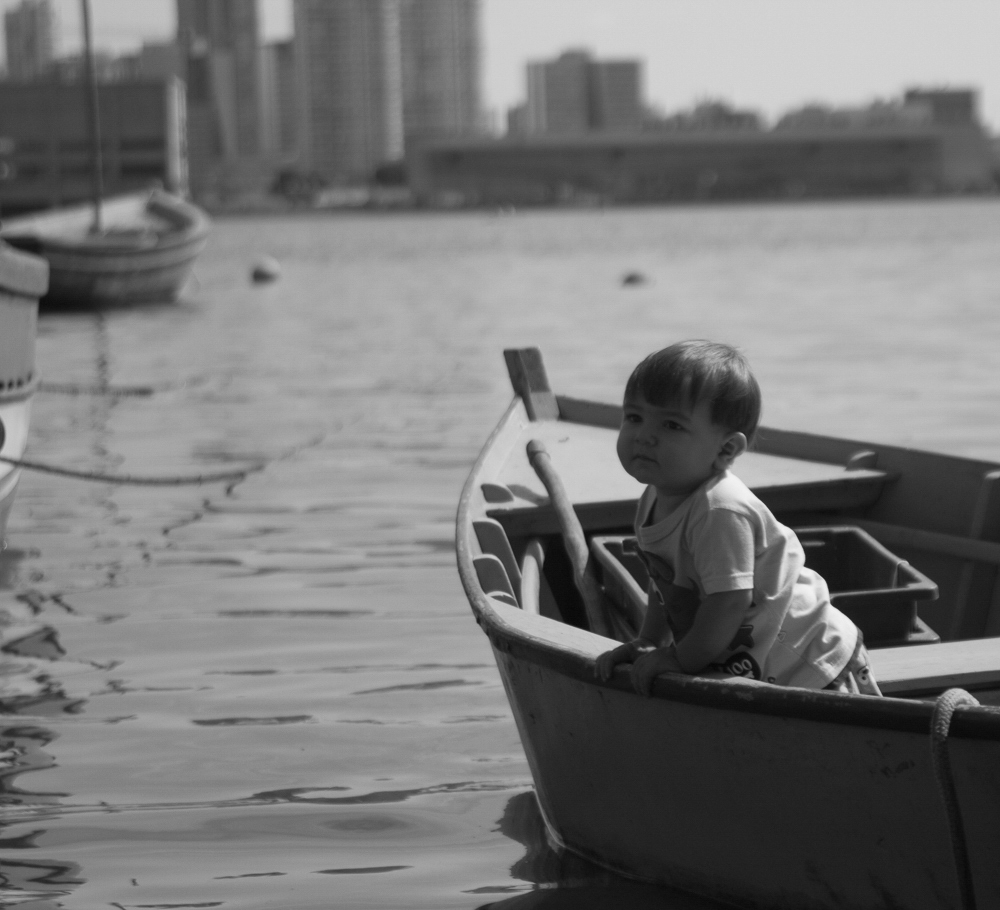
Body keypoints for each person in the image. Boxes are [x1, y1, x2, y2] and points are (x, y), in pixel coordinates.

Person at [595, 340, 881, 696]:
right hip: (753, 658)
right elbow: (666, 583)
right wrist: (650, 640)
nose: (644, 436)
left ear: (726, 449)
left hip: (808, 660)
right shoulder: (655, 495)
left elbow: (728, 602)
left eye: (671, 425)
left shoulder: (719, 511)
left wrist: (680, 660)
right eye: (634, 417)